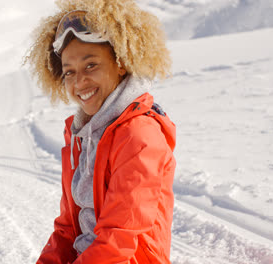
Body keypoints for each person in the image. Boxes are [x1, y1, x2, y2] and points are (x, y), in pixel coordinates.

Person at [24, 0, 176, 263]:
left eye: (91, 65)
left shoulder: (139, 136)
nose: (79, 81)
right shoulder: (81, 136)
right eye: (69, 72)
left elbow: (119, 238)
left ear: (121, 63)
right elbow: (67, 229)